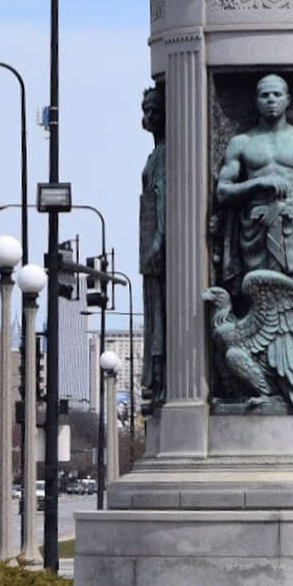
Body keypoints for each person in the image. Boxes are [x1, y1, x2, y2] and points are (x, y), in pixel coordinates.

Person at [216, 74, 293, 292]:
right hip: (255, 225)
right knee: (257, 288)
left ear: (288, 99)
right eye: (265, 95)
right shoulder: (241, 143)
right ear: (256, 101)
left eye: (277, 94)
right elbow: (222, 192)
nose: (271, 99)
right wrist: (258, 183)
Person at [138, 86, 166, 408]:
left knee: (160, 315)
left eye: (155, 109)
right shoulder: (155, 155)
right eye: (146, 111)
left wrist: (159, 239)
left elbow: (165, 197)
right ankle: (157, 381)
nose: (149, 116)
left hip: (158, 247)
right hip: (150, 247)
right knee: (155, 313)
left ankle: (159, 378)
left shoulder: (169, 153)